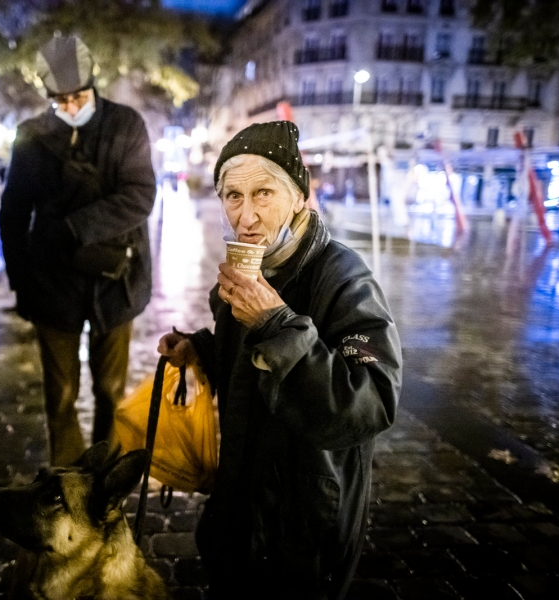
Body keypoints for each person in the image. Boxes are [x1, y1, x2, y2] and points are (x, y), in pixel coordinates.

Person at [158, 122, 402, 599]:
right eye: (232, 196)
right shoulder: (247, 271)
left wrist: (276, 324)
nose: (245, 216)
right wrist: (201, 350)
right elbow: (244, 367)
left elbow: (371, 401)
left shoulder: (346, 280)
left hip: (306, 525)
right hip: (240, 510)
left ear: (299, 198)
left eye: (263, 193)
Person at [0, 35, 156, 466]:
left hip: (116, 280)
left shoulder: (126, 125)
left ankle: (105, 476)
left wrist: (74, 228)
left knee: (110, 390)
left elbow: (140, 196)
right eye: (60, 100)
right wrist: (20, 283)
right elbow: (12, 214)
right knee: (61, 394)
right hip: (52, 284)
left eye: (78, 97)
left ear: (94, 87)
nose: (70, 106)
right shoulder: (31, 135)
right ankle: (68, 485)